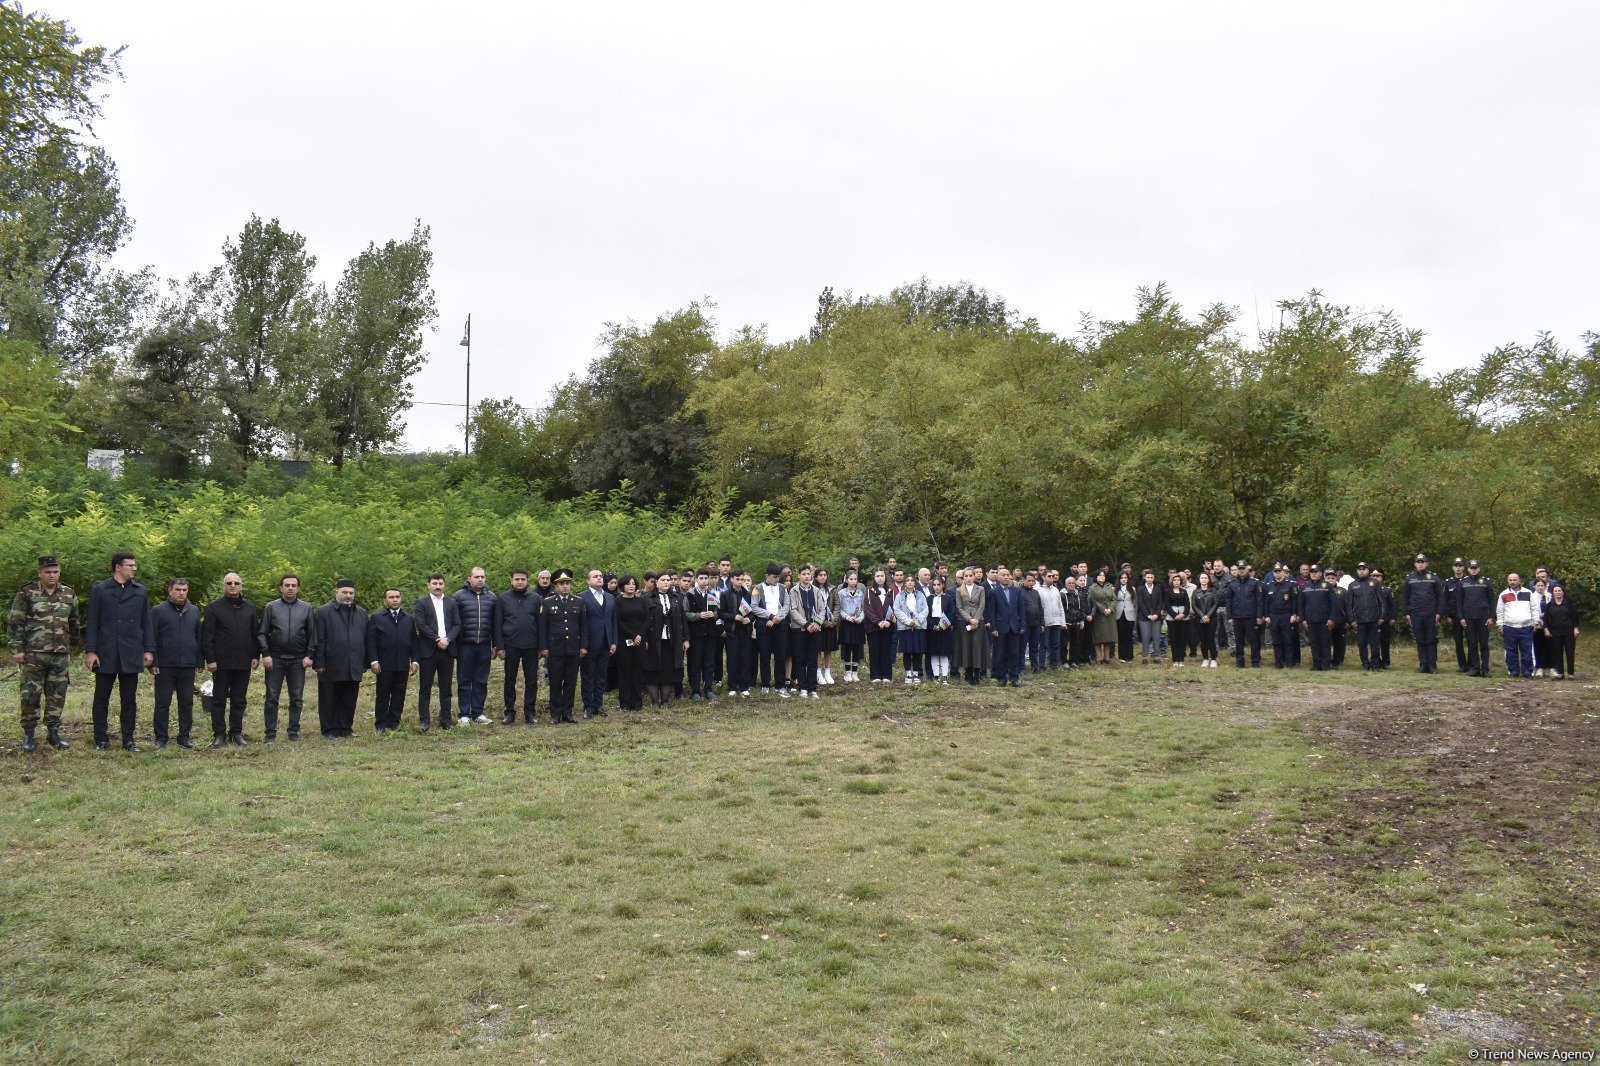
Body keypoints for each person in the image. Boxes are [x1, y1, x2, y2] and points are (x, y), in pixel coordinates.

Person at [84, 552, 154, 751]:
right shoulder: (100, 590)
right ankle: (101, 739)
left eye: (135, 565)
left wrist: (149, 649)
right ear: (118, 567)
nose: (134, 568)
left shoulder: (140, 591)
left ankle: (128, 739)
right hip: (106, 652)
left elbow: (146, 622)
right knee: (101, 698)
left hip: (131, 652)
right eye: (130, 565)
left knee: (129, 699)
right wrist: (91, 651)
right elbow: (93, 623)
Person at [8, 554, 78, 752]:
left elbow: (74, 622)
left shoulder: (69, 593)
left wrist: (72, 645)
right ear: (40, 573)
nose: (52, 575)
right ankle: (29, 735)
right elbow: (15, 622)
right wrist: (16, 650)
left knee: (57, 695)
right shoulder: (27, 593)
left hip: (60, 655)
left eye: (55, 572)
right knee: (30, 695)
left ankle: (53, 733)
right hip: (33, 654)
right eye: (48, 572)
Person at [201, 572, 260, 746]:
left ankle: (236, 733)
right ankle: (219, 734)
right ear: (224, 586)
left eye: (236, 583)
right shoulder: (214, 608)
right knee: (218, 700)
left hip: (244, 663)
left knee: (239, 699)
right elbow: (207, 636)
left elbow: (255, 634)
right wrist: (210, 659)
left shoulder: (249, 607)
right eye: (229, 583)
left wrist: (256, 656)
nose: (232, 586)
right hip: (221, 663)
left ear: (241, 586)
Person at [259, 574, 315, 741]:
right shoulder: (271, 607)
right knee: (271, 697)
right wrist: (266, 654)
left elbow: (312, 634)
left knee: (296, 697)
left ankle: (293, 732)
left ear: (298, 588)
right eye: (287, 585)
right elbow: (262, 633)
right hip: (275, 658)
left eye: (293, 585)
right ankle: (270, 733)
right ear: (281, 588)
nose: (290, 588)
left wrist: (309, 655)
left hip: (298, 660)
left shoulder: (306, 608)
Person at [150, 577, 200, 749]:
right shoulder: (158, 611)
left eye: (184, 590)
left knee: (186, 702)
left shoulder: (194, 610)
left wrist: (198, 660)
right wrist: (153, 661)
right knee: (162, 702)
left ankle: (184, 737)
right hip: (164, 665)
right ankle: (161, 737)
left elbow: (198, 637)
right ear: (170, 591)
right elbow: (151, 637)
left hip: (187, 664)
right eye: (178, 589)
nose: (181, 593)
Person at [313, 580, 368, 737]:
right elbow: (319, 639)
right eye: (344, 592)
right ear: (336, 592)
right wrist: (319, 662)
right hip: (331, 662)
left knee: (349, 698)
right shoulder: (323, 612)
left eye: (351, 593)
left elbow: (365, 639)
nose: (348, 596)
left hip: (354, 662)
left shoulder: (361, 613)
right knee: (329, 697)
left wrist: (365, 661)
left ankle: (345, 728)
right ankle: (329, 730)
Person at [366, 587, 417, 733]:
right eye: (391, 597)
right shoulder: (377, 618)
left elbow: (414, 641)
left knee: (399, 694)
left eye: (397, 597)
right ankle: (380, 724)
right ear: (385, 600)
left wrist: (415, 661)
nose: (395, 599)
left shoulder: (408, 618)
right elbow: (371, 641)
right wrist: (373, 661)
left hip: (402, 663)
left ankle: (394, 722)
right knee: (383, 694)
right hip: (384, 664)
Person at [495, 568, 542, 725]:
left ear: (527, 581)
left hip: (531, 646)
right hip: (510, 646)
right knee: (510, 680)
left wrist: (542, 647)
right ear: (511, 580)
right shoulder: (502, 598)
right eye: (517, 579)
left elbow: (541, 624)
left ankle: (530, 713)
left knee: (531, 681)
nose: (520, 582)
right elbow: (498, 624)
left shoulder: (536, 598)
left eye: (523, 579)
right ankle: (509, 713)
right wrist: (500, 646)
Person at [414, 574, 460, 729]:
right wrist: (437, 639)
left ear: (444, 585)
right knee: (425, 687)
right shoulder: (421, 602)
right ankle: (424, 721)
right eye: (434, 583)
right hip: (428, 650)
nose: (438, 586)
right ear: (428, 585)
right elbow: (421, 625)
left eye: (441, 583)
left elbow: (457, 624)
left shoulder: (451, 602)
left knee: (446, 687)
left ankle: (445, 720)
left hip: (447, 649)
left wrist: (447, 639)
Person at [540, 569, 586, 722]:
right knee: (555, 682)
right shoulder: (547, 603)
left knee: (571, 682)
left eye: (567, 583)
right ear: (556, 586)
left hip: (573, 649)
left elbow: (583, 627)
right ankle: (555, 714)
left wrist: (583, 646)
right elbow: (543, 628)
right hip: (555, 650)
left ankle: (567, 712)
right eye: (562, 584)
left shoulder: (578, 601)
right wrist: (544, 648)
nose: (565, 586)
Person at [453, 567, 496, 725]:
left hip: (484, 644)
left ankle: (478, 712)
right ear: (469, 578)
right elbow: (454, 622)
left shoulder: (491, 597)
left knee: (481, 680)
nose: (480, 579)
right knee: (464, 680)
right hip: (465, 645)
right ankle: (464, 713)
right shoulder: (459, 596)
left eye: (482, 577)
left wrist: (495, 644)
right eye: (477, 577)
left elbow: (495, 623)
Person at [641, 573, 687, 707]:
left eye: (669, 580)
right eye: (663, 580)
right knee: (652, 669)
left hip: (672, 640)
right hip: (653, 639)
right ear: (656, 582)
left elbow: (683, 620)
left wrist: (686, 638)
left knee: (669, 670)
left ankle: (665, 701)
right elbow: (642, 619)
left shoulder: (677, 597)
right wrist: (643, 638)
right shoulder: (647, 598)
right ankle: (655, 701)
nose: (667, 582)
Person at [578, 569, 618, 718]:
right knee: (588, 675)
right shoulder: (582, 597)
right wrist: (582, 644)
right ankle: (588, 706)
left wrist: (614, 641)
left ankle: (598, 705)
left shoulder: (609, 597)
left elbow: (612, 620)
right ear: (588, 581)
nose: (599, 578)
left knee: (601, 675)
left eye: (601, 576)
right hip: (589, 643)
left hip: (606, 642)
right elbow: (580, 623)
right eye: (595, 576)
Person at [1400, 553, 1445, 673]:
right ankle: (1423, 665)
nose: (1420, 564)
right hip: (1416, 614)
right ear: (1415, 564)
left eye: (1422, 562)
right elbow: (1405, 597)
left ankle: (1432, 665)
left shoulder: (1434, 577)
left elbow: (1440, 596)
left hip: (1431, 613)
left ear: (1426, 563)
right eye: (1418, 562)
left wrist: (1439, 613)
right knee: (1420, 640)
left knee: (1431, 640)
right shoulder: (1410, 578)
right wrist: (1406, 613)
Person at [787, 563, 827, 698]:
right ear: (799, 575)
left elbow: (822, 609)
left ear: (811, 575)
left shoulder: (817, 591)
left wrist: (816, 623)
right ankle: (802, 687)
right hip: (800, 630)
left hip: (815, 629)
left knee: (812, 659)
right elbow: (792, 610)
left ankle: (812, 688)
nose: (806, 576)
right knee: (800, 659)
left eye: (808, 574)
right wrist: (806, 624)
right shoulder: (793, 591)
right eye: (803, 574)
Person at [750, 565, 790, 695]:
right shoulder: (757, 588)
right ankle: (765, 683)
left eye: (778, 577)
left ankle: (780, 684)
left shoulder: (783, 588)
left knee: (780, 655)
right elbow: (754, 607)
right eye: (774, 577)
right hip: (764, 625)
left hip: (780, 624)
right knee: (765, 656)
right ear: (767, 575)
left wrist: (778, 617)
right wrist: (770, 616)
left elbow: (787, 605)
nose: (777, 580)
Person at [612, 576, 648, 710]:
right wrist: (633, 635)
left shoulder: (641, 600)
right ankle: (625, 703)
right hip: (624, 641)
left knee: (637, 672)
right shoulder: (618, 601)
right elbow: (618, 621)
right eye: (628, 584)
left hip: (639, 640)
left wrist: (639, 635)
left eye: (633, 584)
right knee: (625, 672)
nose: (631, 586)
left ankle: (637, 703)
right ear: (622, 586)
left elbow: (646, 619)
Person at [1455, 559, 1496, 678]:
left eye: (1475, 568)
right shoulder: (1463, 582)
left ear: (1479, 568)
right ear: (1468, 569)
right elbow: (1459, 602)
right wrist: (1461, 618)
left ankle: (1485, 669)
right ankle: (1474, 668)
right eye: (1471, 568)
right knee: (1472, 644)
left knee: (1483, 644)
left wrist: (1492, 617)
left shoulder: (1486, 582)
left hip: (1483, 618)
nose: (1473, 570)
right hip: (1468, 618)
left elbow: (1492, 600)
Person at [985, 565, 1025, 686]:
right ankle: (1001, 677)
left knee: (1014, 653)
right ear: (998, 577)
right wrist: (993, 628)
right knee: (1000, 653)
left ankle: (1014, 677)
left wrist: (1022, 625)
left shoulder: (1017, 591)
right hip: (1000, 627)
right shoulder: (994, 592)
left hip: (1015, 627)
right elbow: (991, 611)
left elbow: (1021, 609)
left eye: (1008, 575)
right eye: (1003, 575)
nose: (1006, 577)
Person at [685, 569, 721, 702]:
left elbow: (719, 611)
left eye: (707, 578)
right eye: (702, 578)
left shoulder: (712, 594)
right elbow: (685, 614)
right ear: (696, 579)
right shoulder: (690, 595)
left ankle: (708, 688)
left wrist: (714, 615)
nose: (704, 581)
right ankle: (695, 690)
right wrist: (699, 615)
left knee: (709, 662)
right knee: (695, 662)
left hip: (710, 634)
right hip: (696, 634)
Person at [1496, 573, 1541, 679]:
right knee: (1511, 651)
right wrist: (1500, 625)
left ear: (1519, 580)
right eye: (1510, 580)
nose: (1512, 582)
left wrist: (1535, 622)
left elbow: (1535, 608)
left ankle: (1528, 672)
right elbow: (1500, 611)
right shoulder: (1503, 594)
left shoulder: (1528, 593)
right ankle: (1513, 671)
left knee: (1527, 650)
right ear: (1507, 581)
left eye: (1515, 580)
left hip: (1526, 627)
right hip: (1509, 627)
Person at [720, 569, 756, 696]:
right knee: (732, 659)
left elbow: (753, 613)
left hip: (745, 631)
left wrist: (749, 619)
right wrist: (733, 617)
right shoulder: (725, 595)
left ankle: (744, 686)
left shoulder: (747, 594)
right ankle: (732, 686)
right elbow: (721, 613)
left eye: (742, 579)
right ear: (732, 579)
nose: (741, 582)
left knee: (745, 659)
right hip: (732, 632)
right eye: (738, 579)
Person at [1295, 566, 1335, 671]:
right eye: (1312, 572)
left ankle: (1326, 664)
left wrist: (1331, 618)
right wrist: (1302, 619)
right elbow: (1301, 604)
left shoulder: (1327, 586)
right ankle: (1316, 664)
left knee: (1325, 642)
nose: (1313, 574)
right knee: (1314, 643)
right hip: (1310, 620)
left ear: (1321, 574)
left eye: (1315, 572)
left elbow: (1333, 604)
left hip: (1324, 620)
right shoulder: (1304, 587)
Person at [1226, 561, 1266, 668]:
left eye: (1243, 568)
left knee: (1254, 640)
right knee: (1239, 641)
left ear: (1247, 569)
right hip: (1237, 617)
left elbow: (1259, 601)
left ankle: (1255, 661)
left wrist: (1259, 616)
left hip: (1251, 617)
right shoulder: (1232, 584)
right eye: (1239, 568)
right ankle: (1240, 662)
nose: (1241, 570)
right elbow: (1229, 601)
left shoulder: (1255, 583)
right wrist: (1229, 617)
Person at [954, 566, 989, 685]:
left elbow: (982, 605)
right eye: (966, 576)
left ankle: (977, 674)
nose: (969, 578)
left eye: (971, 575)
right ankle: (969, 675)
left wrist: (976, 620)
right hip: (963, 621)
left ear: (974, 576)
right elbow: (959, 607)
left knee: (977, 647)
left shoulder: (981, 589)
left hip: (978, 620)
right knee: (966, 647)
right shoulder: (959, 590)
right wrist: (969, 619)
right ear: (963, 578)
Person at [893, 574, 929, 684]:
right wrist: (908, 621)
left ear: (915, 582)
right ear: (904, 583)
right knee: (907, 651)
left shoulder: (921, 595)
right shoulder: (899, 596)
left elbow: (925, 609)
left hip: (918, 626)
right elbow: (897, 610)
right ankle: (908, 672)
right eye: (907, 580)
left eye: (911, 580)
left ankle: (916, 673)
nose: (909, 582)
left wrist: (917, 621)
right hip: (905, 627)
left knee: (917, 651)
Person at [1264, 563, 1299, 669]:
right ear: (1273, 573)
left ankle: (1289, 662)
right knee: (1276, 640)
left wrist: (1294, 614)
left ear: (1284, 573)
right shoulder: (1269, 585)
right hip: (1274, 616)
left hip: (1286, 615)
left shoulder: (1290, 585)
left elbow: (1294, 601)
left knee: (1288, 640)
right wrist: (1266, 615)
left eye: (1279, 571)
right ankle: (1278, 662)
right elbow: (1266, 602)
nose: (1278, 573)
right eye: (1276, 571)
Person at [864, 569, 896, 684]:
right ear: (874, 578)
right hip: (873, 627)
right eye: (877, 576)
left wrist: (888, 621)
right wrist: (878, 622)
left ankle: (886, 675)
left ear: (885, 577)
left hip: (887, 626)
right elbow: (868, 609)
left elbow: (894, 608)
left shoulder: (890, 592)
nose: (880, 578)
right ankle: (875, 675)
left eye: (882, 576)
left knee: (886, 651)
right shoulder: (869, 591)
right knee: (875, 651)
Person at [836, 570, 867, 683]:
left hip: (857, 623)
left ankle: (855, 672)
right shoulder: (842, 593)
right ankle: (847, 672)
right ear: (846, 580)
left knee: (856, 648)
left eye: (855, 579)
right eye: (851, 579)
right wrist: (848, 617)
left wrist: (860, 618)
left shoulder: (860, 593)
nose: (853, 581)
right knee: (847, 648)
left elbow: (863, 609)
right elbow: (839, 609)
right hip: (847, 623)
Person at [1542, 585, 1578, 679]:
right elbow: (1545, 619)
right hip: (1555, 632)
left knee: (1570, 652)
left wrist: (1576, 628)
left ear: (1563, 592)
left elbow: (1575, 617)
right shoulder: (1549, 605)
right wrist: (1546, 629)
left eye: (1559, 590)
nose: (1557, 592)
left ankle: (1570, 673)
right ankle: (1560, 673)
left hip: (1569, 631)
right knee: (1557, 653)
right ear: (1553, 593)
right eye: (1555, 591)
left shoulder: (1569, 603)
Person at [926, 575, 956, 684]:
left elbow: (952, 613)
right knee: (933, 653)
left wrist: (943, 625)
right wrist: (933, 626)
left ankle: (944, 677)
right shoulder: (929, 599)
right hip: (932, 627)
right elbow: (926, 614)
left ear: (943, 585)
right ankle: (935, 676)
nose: (936, 587)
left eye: (939, 584)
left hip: (945, 627)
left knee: (944, 653)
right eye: (934, 585)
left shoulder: (949, 598)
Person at [1444, 557, 1469, 672]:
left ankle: (1472, 664)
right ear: (1453, 568)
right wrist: (1447, 615)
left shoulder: (1469, 580)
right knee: (1458, 641)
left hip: (1468, 614)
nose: (1458, 568)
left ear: (1464, 567)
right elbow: (1445, 600)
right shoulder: (1448, 582)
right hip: (1454, 615)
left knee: (1471, 640)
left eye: (1460, 565)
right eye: (1456, 565)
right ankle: (1462, 665)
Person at [1191, 571, 1220, 668]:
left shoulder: (1213, 591)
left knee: (1210, 638)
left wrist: (1208, 615)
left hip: (1212, 618)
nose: (1203, 579)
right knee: (1203, 639)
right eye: (1202, 578)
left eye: (1205, 578)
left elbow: (1216, 604)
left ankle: (1213, 659)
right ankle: (1205, 658)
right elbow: (1194, 605)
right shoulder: (1196, 592)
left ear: (1208, 579)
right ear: (1199, 580)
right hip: (1200, 619)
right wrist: (1202, 615)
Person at [1135, 570, 1164, 665]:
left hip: (1156, 616)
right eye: (1148, 577)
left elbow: (1160, 603)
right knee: (1145, 637)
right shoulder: (1140, 589)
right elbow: (1141, 603)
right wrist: (1148, 615)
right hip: (1144, 616)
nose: (1150, 579)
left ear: (1154, 578)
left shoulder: (1158, 588)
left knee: (1156, 637)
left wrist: (1156, 614)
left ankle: (1157, 656)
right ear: (1144, 578)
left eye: (1151, 577)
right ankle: (1145, 656)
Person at [815, 568, 839, 685]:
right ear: (816, 577)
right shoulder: (813, 589)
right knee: (818, 648)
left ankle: (827, 672)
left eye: (825, 575)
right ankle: (818, 673)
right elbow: (813, 609)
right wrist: (823, 622)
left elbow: (837, 605)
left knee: (828, 649)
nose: (823, 577)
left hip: (831, 624)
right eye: (820, 575)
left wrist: (833, 621)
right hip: (819, 624)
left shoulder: (832, 588)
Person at [1090, 570, 1117, 664]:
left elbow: (1114, 599)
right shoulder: (1092, 588)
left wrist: (1110, 609)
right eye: (1100, 575)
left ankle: (1106, 657)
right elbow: (1093, 601)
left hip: (1110, 614)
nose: (1102, 577)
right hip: (1099, 614)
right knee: (1098, 637)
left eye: (1103, 575)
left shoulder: (1109, 586)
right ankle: (1098, 657)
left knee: (1108, 636)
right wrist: (1103, 609)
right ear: (1096, 577)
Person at [1018, 572, 1044, 673]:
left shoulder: (1036, 592)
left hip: (1036, 624)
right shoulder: (1019, 592)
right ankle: (1021, 668)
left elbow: (1040, 608)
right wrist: (1021, 624)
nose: (1031, 582)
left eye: (1033, 581)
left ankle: (1034, 667)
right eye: (1029, 580)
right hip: (1025, 624)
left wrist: (1042, 623)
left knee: (1034, 647)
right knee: (1022, 647)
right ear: (1024, 580)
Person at [1164, 573, 1191, 666]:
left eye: (1178, 580)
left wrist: (1183, 614)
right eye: (1175, 580)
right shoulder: (1167, 591)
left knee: (1182, 638)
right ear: (1172, 581)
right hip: (1172, 617)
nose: (1177, 582)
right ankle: (1175, 660)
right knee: (1174, 638)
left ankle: (1181, 659)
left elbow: (1188, 604)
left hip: (1184, 617)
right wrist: (1175, 615)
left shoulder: (1184, 591)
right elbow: (1167, 605)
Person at [1530, 579, 1554, 677]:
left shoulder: (1549, 596)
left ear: (1545, 586)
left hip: (1548, 625)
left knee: (1549, 646)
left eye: (1542, 585)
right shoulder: (1531, 596)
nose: (1540, 587)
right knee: (1538, 647)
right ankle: (1539, 667)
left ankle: (1550, 667)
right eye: (1538, 585)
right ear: (1534, 587)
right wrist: (1537, 619)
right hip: (1537, 625)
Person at [1114, 572, 1137, 664]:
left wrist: (1133, 612)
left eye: (1125, 577)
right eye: (1122, 578)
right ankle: (1122, 656)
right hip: (1119, 613)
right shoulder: (1115, 589)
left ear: (1128, 579)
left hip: (1129, 613)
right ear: (1119, 579)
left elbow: (1135, 602)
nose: (1123, 579)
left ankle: (1129, 656)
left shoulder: (1133, 589)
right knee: (1121, 635)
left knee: (1129, 635)